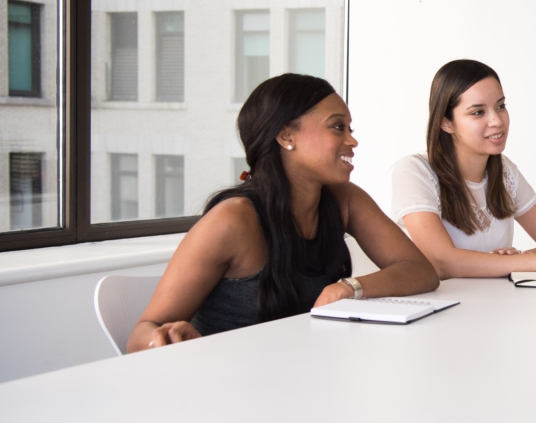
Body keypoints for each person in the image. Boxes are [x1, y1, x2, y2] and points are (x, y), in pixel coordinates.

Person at [128, 74, 440, 353]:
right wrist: (163, 338)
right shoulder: (233, 221)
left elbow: (420, 271)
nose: (352, 140)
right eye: (337, 127)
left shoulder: (345, 200)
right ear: (286, 136)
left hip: (302, 375)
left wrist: (348, 287)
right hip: (228, 388)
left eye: (349, 128)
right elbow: (141, 335)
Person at [390, 59, 536, 279]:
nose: (497, 120)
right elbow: (442, 262)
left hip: (496, 305)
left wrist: (517, 260)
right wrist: (532, 262)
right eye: (478, 112)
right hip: (441, 308)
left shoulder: (504, 170)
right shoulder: (413, 171)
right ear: (446, 123)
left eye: (500, 106)